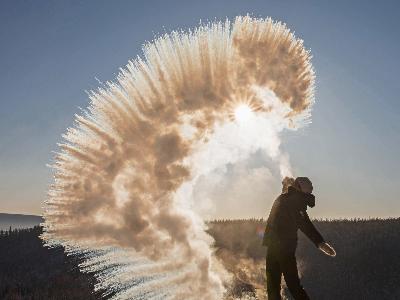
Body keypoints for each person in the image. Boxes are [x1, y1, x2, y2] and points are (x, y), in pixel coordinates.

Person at [262, 177, 336, 300]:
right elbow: (305, 224)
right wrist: (320, 243)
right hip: (285, 250)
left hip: (272, 248)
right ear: (302, 189)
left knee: (273, 286)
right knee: (293, 286)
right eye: (309, 189)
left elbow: (273, 222)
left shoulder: (283, 199)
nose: (311, 192)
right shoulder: (295, 202)